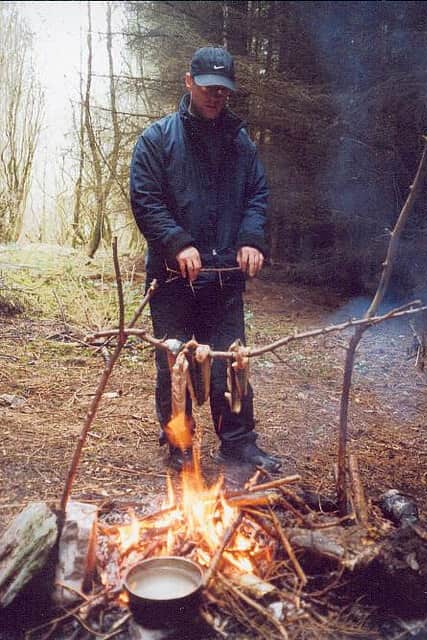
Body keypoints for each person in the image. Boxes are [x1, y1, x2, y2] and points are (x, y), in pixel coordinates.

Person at [130, 46, 281, 473]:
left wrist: (252, 239)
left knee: (230, 363)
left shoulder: (241, 144)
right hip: (173, 280)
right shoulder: (157, 140)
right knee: (175, 364)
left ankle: (237, 443)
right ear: (189, 82)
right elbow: (145, 200)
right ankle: (179, 443)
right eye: (209, 87)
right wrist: (178, 244)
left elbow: (257, 196)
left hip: (225, 281)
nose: (216, 97)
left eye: (224, 90)